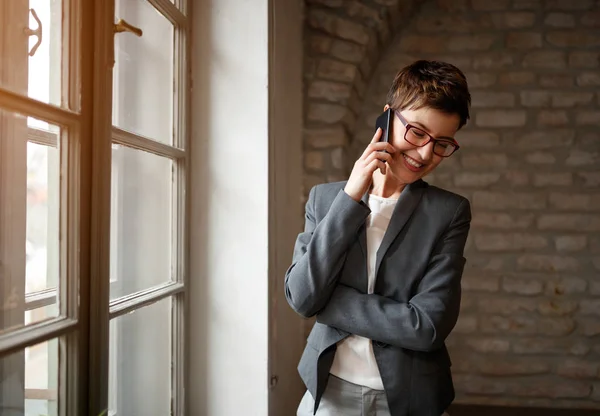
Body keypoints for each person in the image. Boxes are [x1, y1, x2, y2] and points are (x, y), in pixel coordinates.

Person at [284, 60, 472, 416]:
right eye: (416, 132)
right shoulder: (325, 200)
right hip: (329, 391)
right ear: (387, 118)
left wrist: (327, 304)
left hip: (411, 395)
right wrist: (351, 198)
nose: (425, 154)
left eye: (442, 143)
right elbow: (302, 295)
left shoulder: (448, 213)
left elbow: (427, 327)